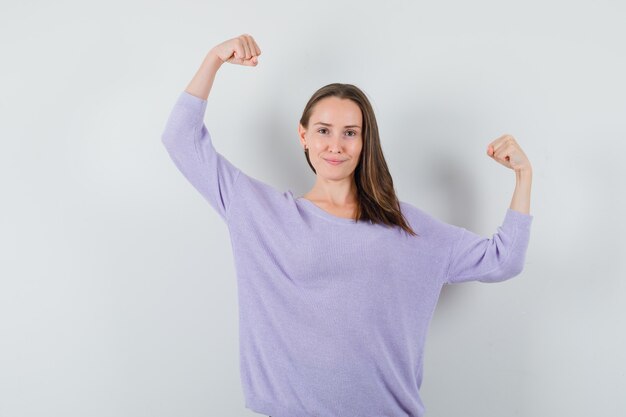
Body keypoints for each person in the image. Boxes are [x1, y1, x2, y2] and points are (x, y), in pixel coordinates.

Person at [161, 34, 534, 417]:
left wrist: (523, 176)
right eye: (323, 130)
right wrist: (213, 60)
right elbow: (181, 140)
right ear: (303, 136)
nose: (335, 145)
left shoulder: (405, 227)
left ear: (364, 141)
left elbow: (504, 259)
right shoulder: (262, 213)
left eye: (349, 133)